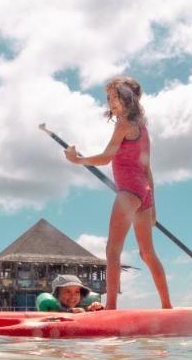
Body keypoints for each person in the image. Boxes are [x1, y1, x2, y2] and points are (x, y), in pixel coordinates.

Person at [62, 75, 171, 310]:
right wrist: (153, 209)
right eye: (108, 97)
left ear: (128, 99)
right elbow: (147, 169)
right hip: (144, 192)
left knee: (112, 249)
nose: (110, 102)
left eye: (115, 97)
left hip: (129, 191)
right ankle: (167, 307)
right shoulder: (142, 128)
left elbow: (105, 157)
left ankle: (111, 308)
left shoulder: (124, 124)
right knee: (147, 253)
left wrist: (77, 159)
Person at [36, 273, 103, 314]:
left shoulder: (83, 309)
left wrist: (95, 308)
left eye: (77, 292)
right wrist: (70, 311)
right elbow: (54, 313)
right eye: (67, 291)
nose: (73, 296)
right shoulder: (50, 309)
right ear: (57, 294)